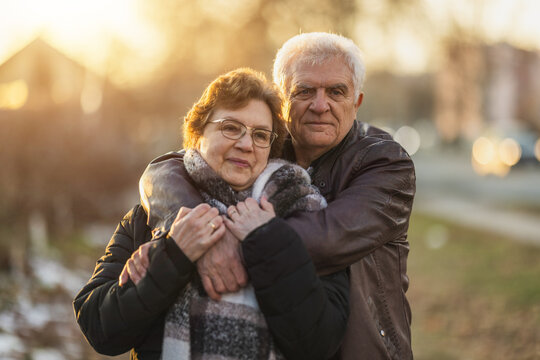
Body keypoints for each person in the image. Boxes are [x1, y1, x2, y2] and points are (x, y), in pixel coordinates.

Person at [138, 32, 416, 359]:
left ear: (356, 102)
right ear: (281, 101)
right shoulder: (261, 143)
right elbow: (168, 169)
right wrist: (195, 232)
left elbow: (327, 237)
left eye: (336, 91)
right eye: (304, 91)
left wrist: (211, 243)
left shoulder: (385, 162)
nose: (320, 105)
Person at [73, 68, 349, 360]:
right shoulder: (152, 215)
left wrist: (269, 242)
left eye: (260, 135)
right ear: (198, 132)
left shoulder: (306, 214)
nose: (245, 144)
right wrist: (174, 254)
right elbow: (99, 327)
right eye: (231, 127)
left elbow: (321, 343)